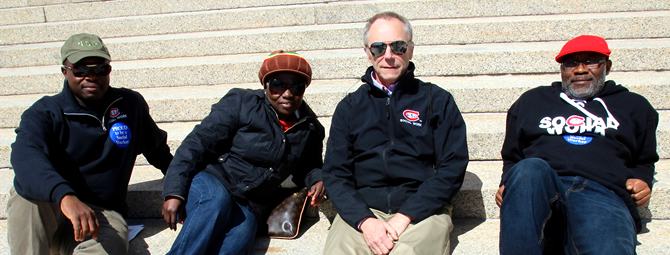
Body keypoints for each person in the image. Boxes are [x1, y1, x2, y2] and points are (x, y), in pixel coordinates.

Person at [8, 33, 173, 254]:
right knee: (25, 197)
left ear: (109, 71)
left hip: (101, 214)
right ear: (65, 72)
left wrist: (180, 186)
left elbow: (159, 151)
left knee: (110, 244)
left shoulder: (129, 106)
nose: (91, 76)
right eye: (81, 70)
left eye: (100, 69)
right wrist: (65, 196)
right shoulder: (45, 112)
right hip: (53, 209)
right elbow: (25, 157)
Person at [322, 12, 469, 255]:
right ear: (368, 53)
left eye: (398, 46)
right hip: (363, 209)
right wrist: (365, 221)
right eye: (379, 48)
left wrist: (406, 216)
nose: (388, 56)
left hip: (421, 210)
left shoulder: (437, 100)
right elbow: (336, 174)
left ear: (410, 50)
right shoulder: (349, 107)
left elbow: (452, 168)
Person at [496, 35, 659, 254]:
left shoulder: (635, 105)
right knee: (527, 169)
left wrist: (642, 180)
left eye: (590, 61)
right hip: (541, 187)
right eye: (571, 63)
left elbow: (644, 159)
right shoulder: (532, 101)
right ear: (562, 70)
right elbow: (513, 156)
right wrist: (510, 181)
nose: (580, 70)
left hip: (602, 191)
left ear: (607, 67)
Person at [161, 50, 327, 254]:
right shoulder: (241, 102)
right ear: (265, 86)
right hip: (215, 179)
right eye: (277, 85)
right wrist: (174, 191)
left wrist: (317, 179)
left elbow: (308, 166)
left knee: (237, 242)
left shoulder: (310, 128)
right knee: (215, 203)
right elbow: (197, 144)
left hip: (253, 200)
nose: (287, 93)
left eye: (296, 86)